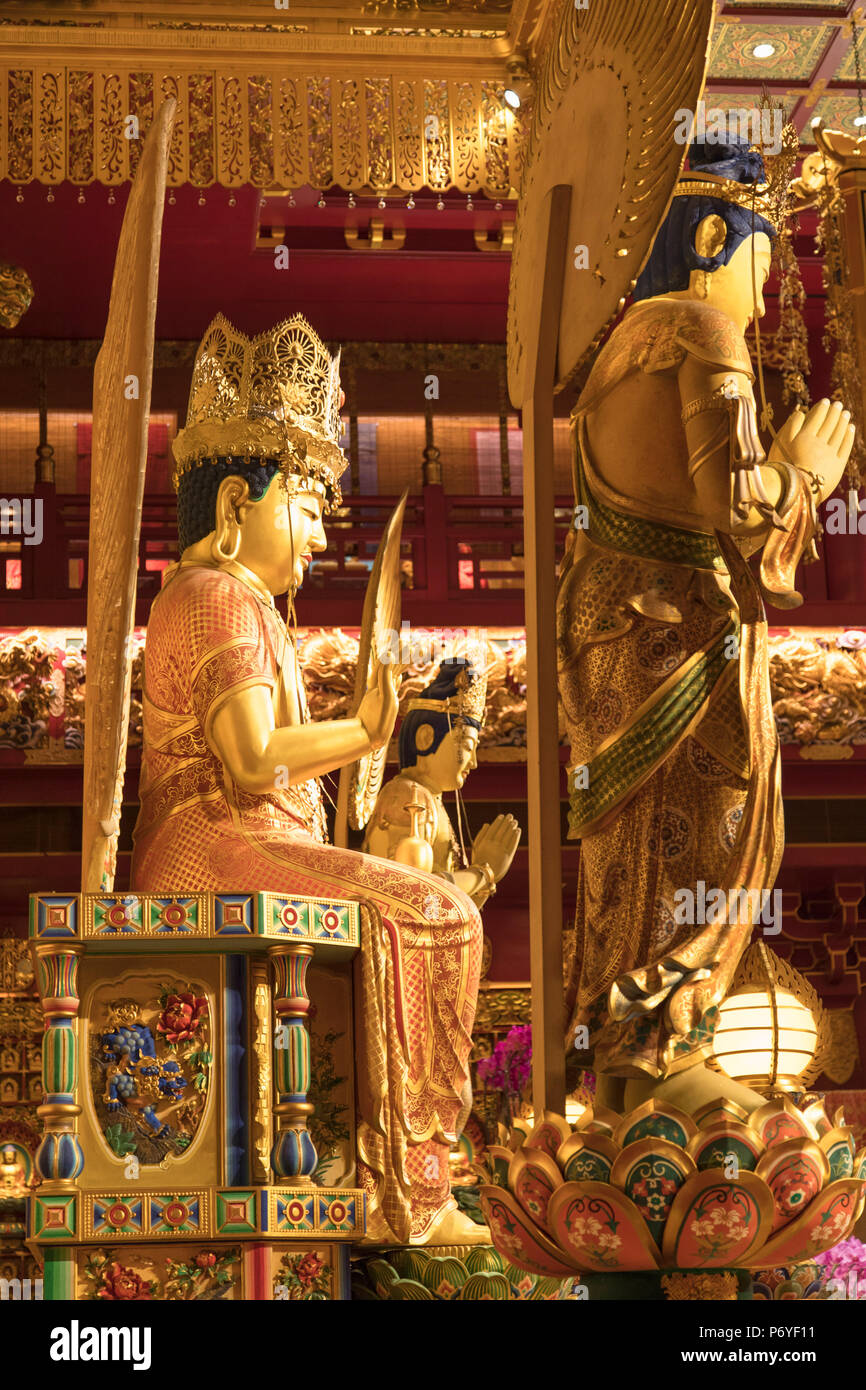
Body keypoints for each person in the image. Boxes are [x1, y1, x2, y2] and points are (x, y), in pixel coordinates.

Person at [131, 313, 483, 1244]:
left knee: (422, 900)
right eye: (311, 507)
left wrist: (359, 740)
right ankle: (413, 1185)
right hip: (215, 841)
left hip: (252, 839)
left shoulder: (240, 603)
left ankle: (359, 1166)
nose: (321, 538)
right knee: (435, 914)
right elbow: (251, 760)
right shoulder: (212, 598)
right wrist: (364, 730)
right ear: (236, 502)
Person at [558, 139, 854, 1115]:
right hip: (674, 634)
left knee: (631, 845)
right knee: (700, 833)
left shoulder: (616, 354)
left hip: (617, 631)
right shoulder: (697, 328)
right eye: (761, 269)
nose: (761, 304)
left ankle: (623, 1061)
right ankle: (666, 1046)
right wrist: (803, 474)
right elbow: (734, 497)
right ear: (712, 238)